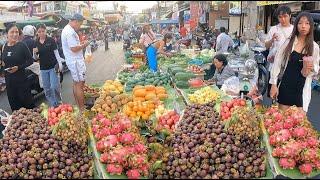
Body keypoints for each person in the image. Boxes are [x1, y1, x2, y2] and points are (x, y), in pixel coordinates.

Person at [270, 12, 320, 112]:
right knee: (282, 120)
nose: (303, 26)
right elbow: (277, 62)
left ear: (311, 26)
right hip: (286, 86)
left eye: (307, 23)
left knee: (299, 122)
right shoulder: (289, 42)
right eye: (300, 23)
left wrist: (310, 68)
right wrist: (274, 84)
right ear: (296, 25)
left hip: (302, 89)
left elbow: (316, 69)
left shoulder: (314, 47)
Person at [0, 23, 35, 111]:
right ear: (6, 33)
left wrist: (18, 67)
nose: (15, 34)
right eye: (12, 32)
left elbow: (30, 61)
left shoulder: (22, 45)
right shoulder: (4, 47)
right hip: (9, 83)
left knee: (27, 107)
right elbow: (4, 62)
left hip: (22, 82)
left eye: (17, 32)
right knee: (15, 107)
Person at [61, 13, 90, 111]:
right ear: (75, 21)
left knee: (76, 83)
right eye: (80, 24)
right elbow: (73, 48)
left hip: (73, 61)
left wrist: (80, 44)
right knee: (80, 84)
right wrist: (84, 45)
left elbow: (73, 46)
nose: (80, 26)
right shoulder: (69, 32)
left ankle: (79, 106)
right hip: (75, 61)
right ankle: (82, 109)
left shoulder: (68, 30)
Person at [265, 6, 294, 98]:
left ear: (290, 16)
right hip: (274, 66)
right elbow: (266, 46)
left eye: (285, 16)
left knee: (286, 95)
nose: (283, 19)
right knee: (273, 94)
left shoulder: (294, 30)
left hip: (289, 66)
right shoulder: (274, 29)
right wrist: (272, 40)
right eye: (280, 17)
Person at [34, 23, 64, 107]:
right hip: (43, 69)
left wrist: (60, 64)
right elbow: (35, 58)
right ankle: (53, 104)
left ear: (46, 31)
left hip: (52, 67)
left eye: (43, 31)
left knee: (54, 87)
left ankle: (59, 102)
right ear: (37, 32)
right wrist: (35, 53)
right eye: (39, 32)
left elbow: (56, 53)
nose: (41, 33)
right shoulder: (36, 42)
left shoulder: (51, 40)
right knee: (47, 89)